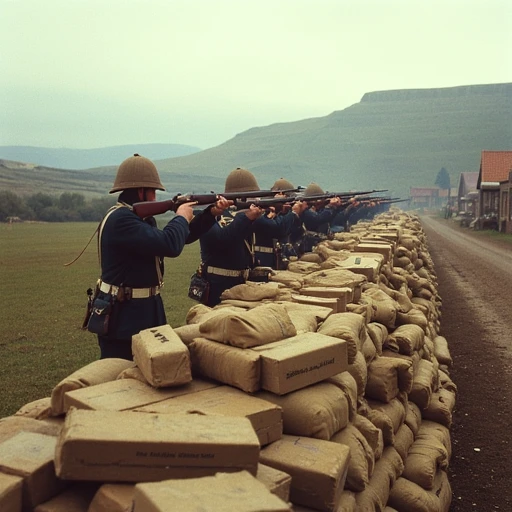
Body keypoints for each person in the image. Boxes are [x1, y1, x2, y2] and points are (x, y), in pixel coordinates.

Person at [91, 153, 229, 360]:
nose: (156, 196)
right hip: (125, 316)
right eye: (153, 191)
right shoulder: (122, 219)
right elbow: (170, 244)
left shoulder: (137, 219)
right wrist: (181, 215)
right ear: (141, 191)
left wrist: (210, 214)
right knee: (120, 375)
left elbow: (181, 237)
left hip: (142, 310)